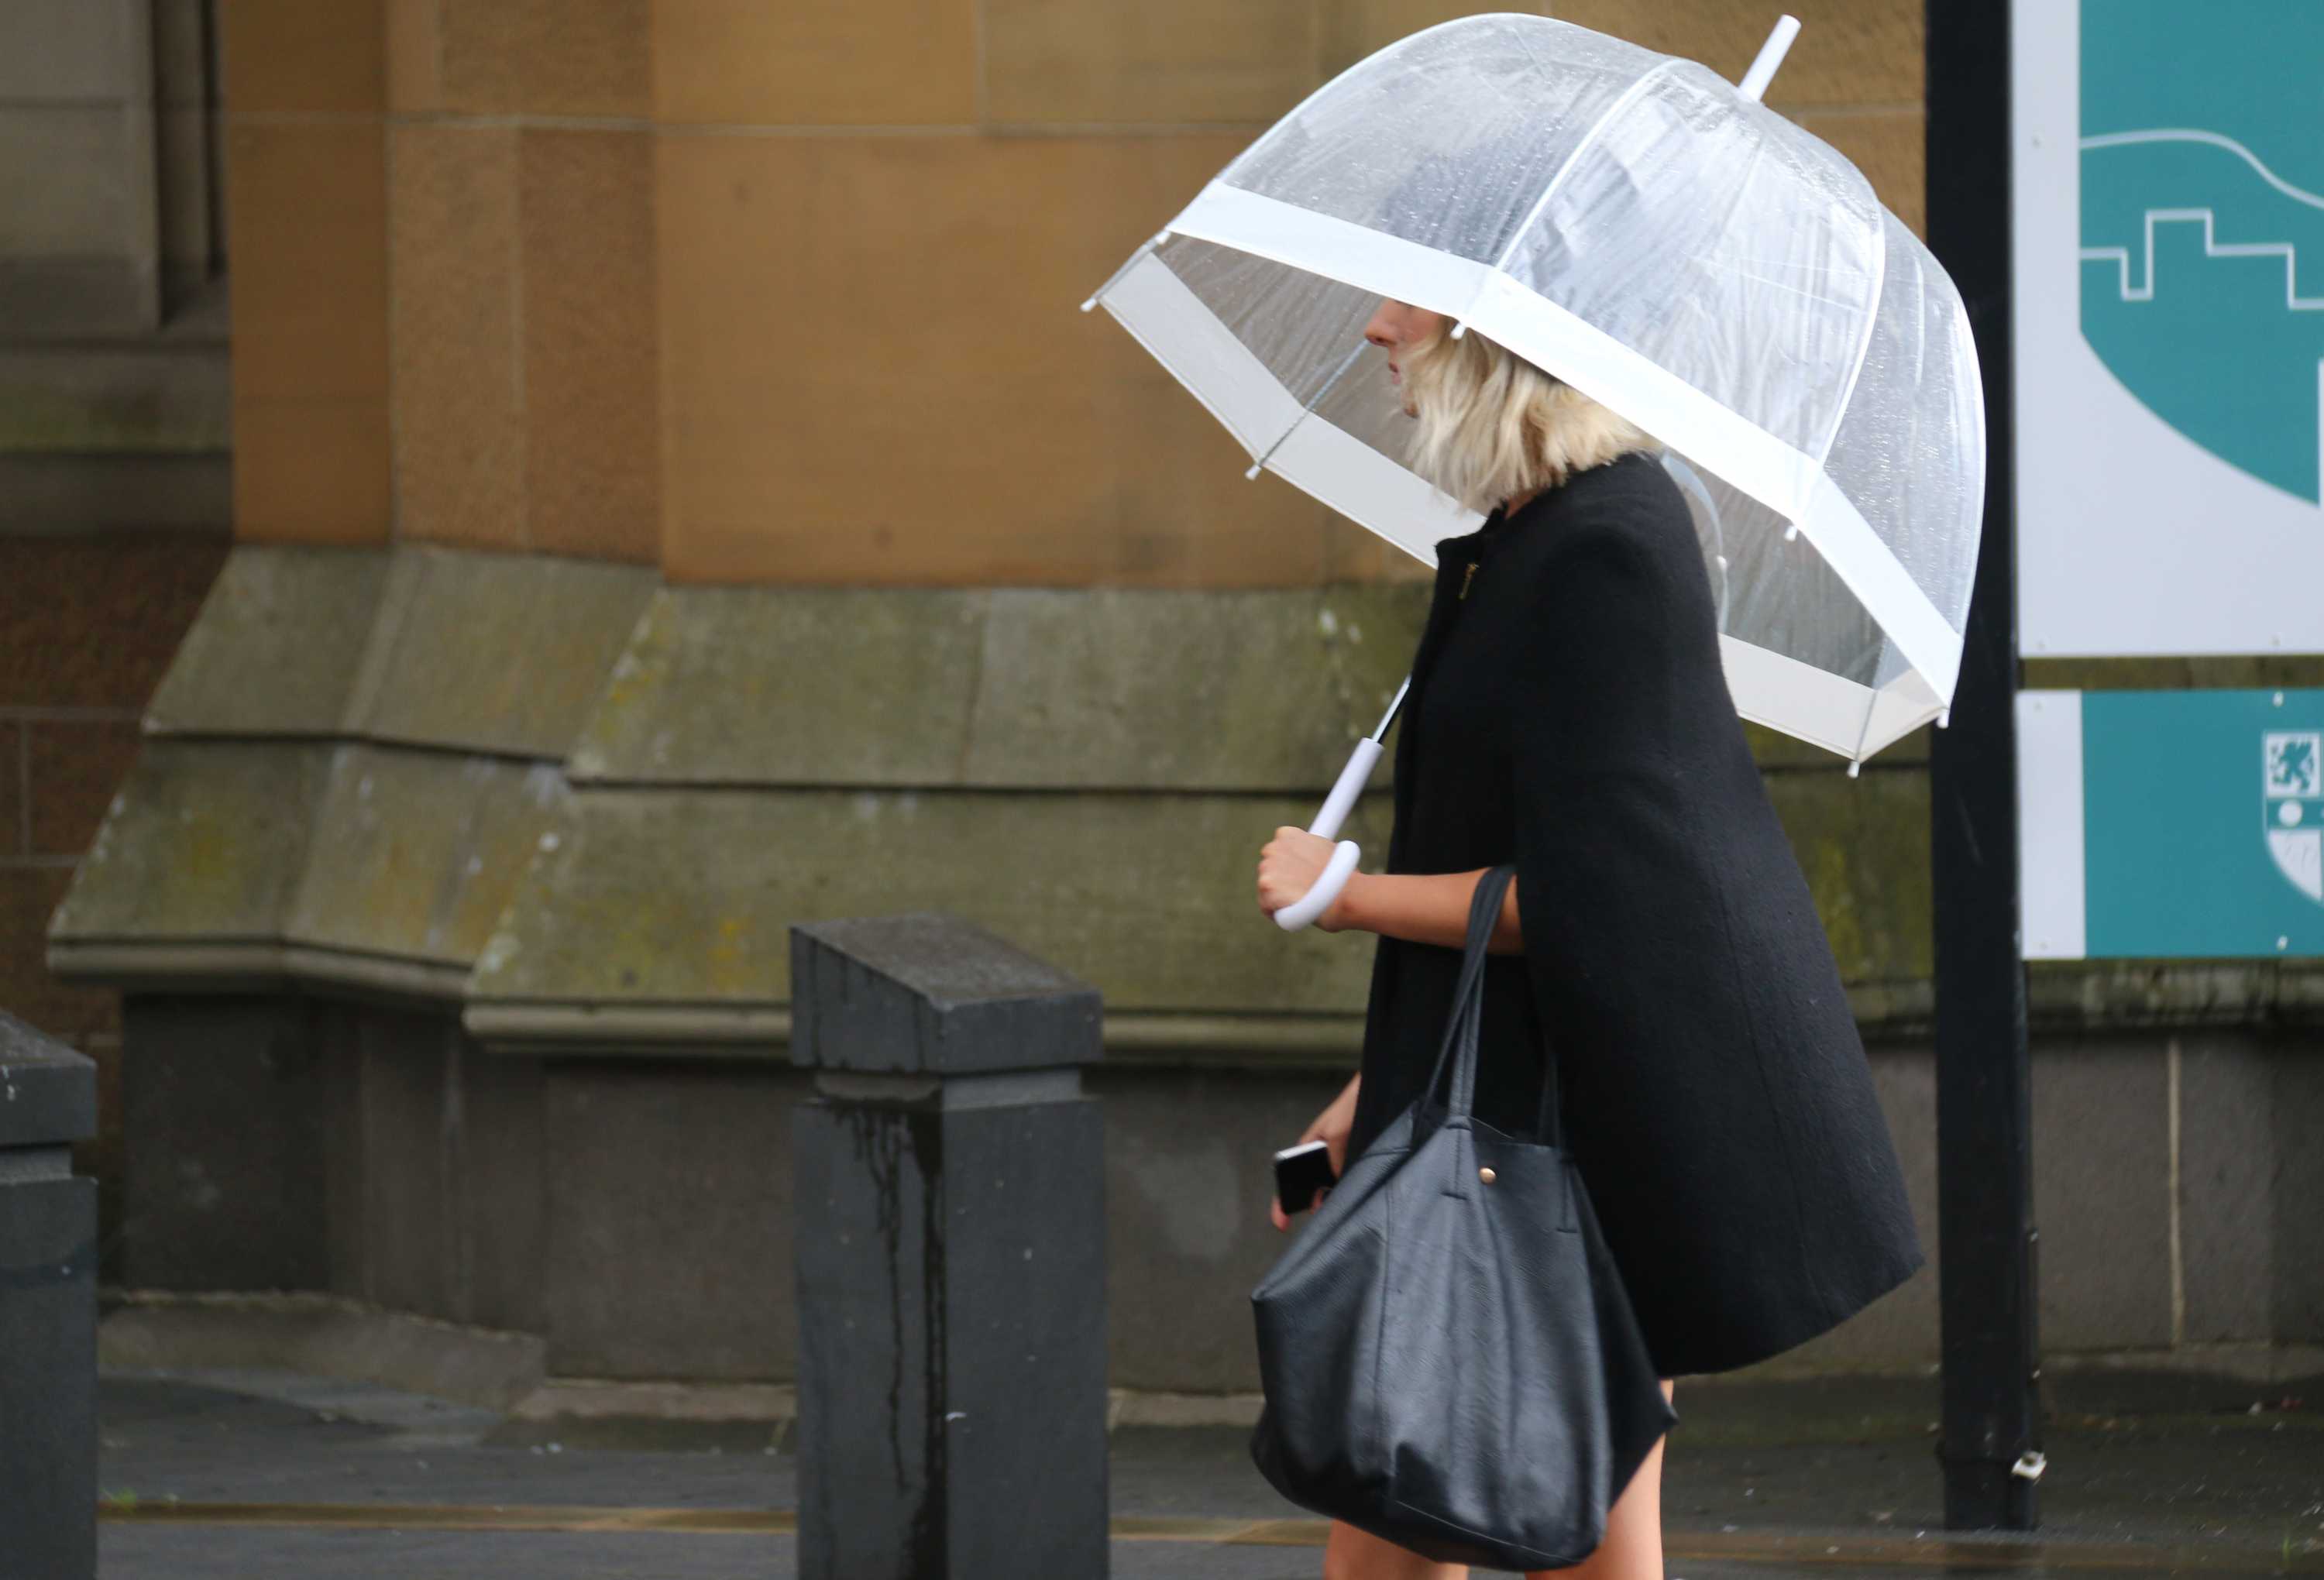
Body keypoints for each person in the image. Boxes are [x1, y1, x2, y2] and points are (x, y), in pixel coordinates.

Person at [1253, 299, 1924, 1580]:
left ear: (1492, 332)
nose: (1373, 327)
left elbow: (1592, 901)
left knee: (1529, 1538)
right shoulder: (1521, 540)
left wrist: (1345, 890)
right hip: (1511, 1114)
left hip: (1585, 1135)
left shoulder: (1611, 543)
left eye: (1407, 302)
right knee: (1445, 1527)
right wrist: (1375, 1087)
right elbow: (1522, 845)